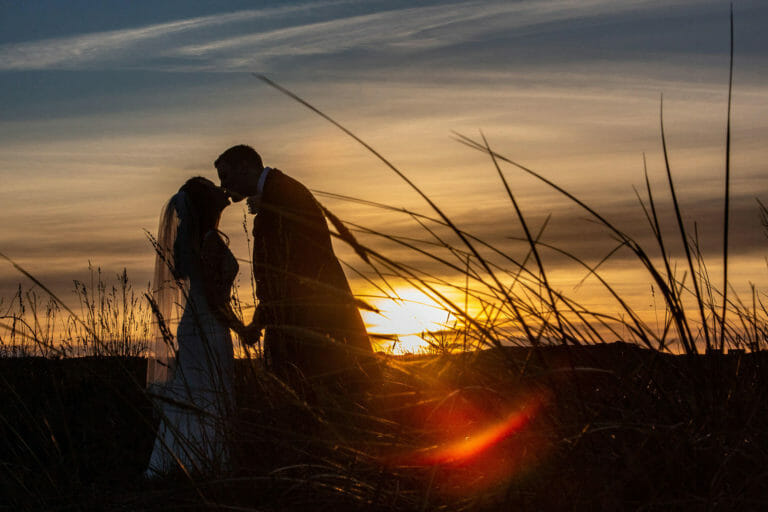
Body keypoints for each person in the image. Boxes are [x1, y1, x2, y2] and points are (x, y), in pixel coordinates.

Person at [215, 144, 379, 396]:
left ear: (245, 167)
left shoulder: (283, 195)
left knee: (317, 394)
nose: (223, 186)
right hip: (304, 316)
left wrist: (261, 320)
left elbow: (286, 270)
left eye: (225, 176)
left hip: (311, 320)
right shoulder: (278, 190)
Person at [144, 176, 245, 477]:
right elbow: (215, 299)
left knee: (194, 393)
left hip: (193, 326)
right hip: (210, 327)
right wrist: (243, 329)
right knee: (209, 393)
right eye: (213, 187)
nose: (221, 188)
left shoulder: (193, 242)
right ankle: (207, 461)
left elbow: (189, 278)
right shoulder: (211, 241)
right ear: (206, 203)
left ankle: (178, 460)